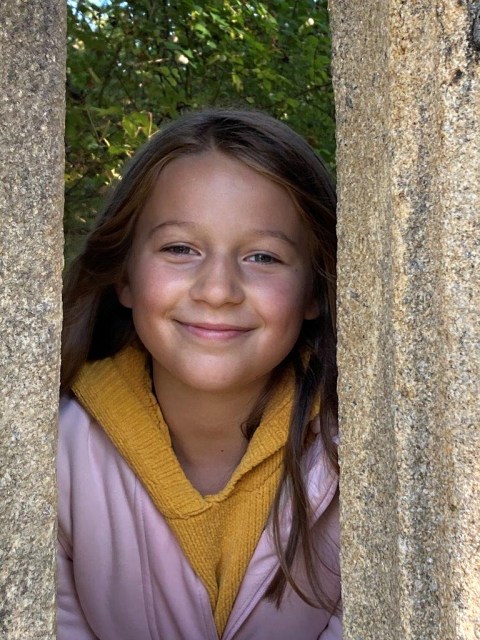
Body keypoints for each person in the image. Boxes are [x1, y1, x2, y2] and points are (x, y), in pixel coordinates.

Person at [57, 109, 341, 640]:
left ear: (314, 291)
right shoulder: (55, 452)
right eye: (180, 249)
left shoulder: (354, 454)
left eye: (263, 257)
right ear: (124, 275)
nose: (217, 290)